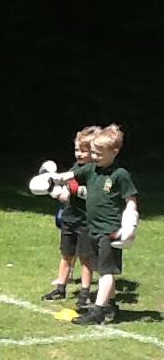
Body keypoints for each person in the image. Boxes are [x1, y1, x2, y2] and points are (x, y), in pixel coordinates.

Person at [50, 125, 138, 325]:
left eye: (99, 153)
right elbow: (69, 176)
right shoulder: (91, 169)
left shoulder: (120, 175)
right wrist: (52, 178)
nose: (95, 157)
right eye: (94, 152)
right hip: (93, 228)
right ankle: (110, 305)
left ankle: (98, 311)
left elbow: (131, 199)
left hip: (110, 231)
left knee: (107, 272)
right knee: (102, 269)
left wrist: (130, 224)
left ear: (114, 152)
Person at [41, 125, 100, 311]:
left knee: (86, 258)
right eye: (76, 149)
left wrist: (70, 188)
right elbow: (66, 194)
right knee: (66, 255)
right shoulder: (76, 167)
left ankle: (85, 292)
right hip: (70, 218)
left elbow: (89, 193)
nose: (79, 154)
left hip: (85, 222)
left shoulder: (94, 171)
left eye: (84, 150)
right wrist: (52, 189)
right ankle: (61, 287)